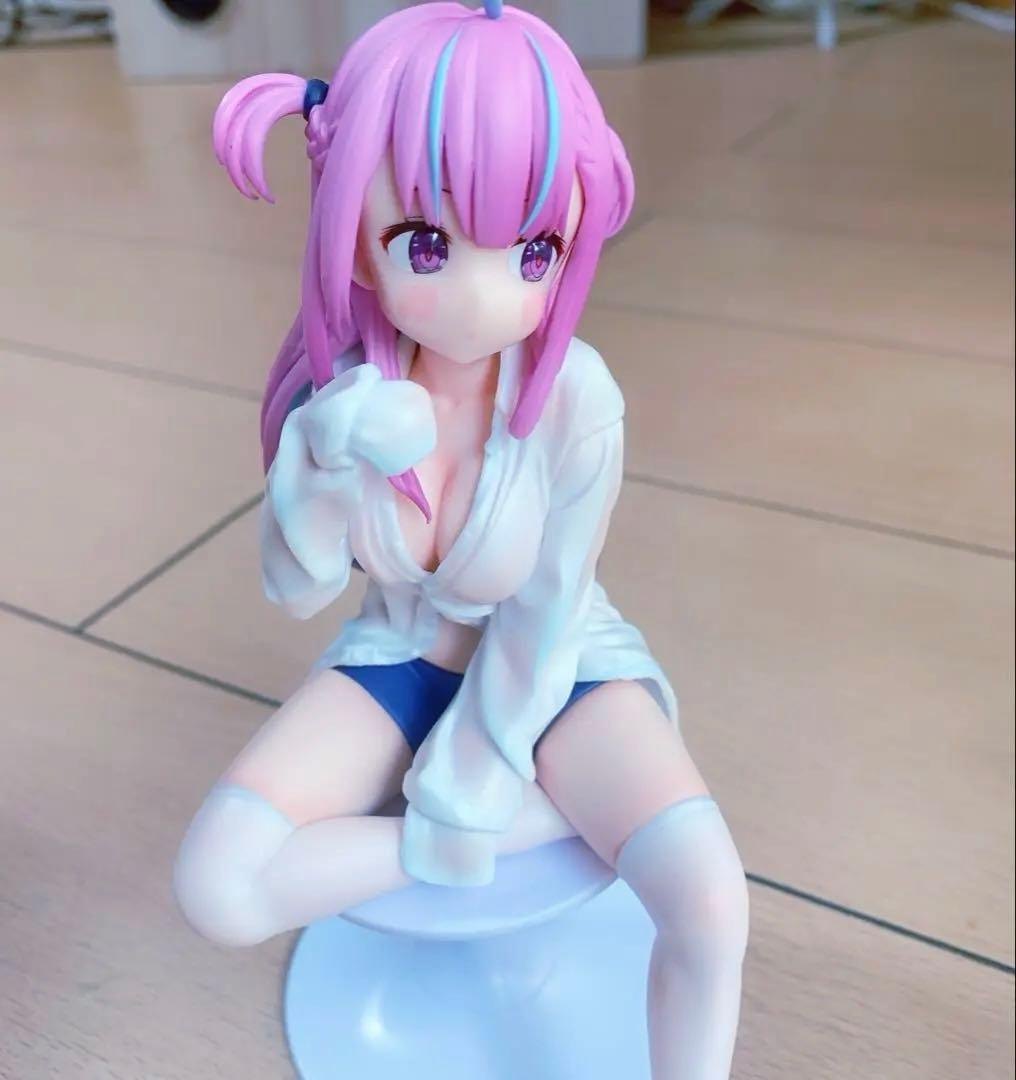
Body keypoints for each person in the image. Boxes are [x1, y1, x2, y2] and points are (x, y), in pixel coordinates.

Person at [172, 4, 749, 1077]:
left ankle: (526, 815)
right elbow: (298, 588)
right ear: (353, 231)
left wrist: (467, 783)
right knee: (218, 886)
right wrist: (318, 461)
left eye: (534, 251)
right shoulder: (349, 395)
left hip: (559, 665)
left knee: (710, 901)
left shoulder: (576, 400)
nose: (484, 297)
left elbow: (545, 609)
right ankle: (544, 821)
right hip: (397, 656)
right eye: (427, 245)